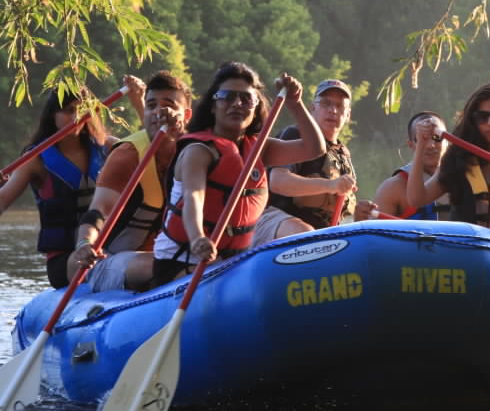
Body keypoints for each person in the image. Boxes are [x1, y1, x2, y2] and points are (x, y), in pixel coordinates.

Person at [150, 61, 326, 286]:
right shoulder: (199, 150)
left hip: (230, 262)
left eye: (246, 99)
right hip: (183, 260)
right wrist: (198, 238)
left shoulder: (259, 148)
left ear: (256, 109)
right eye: (227, 96)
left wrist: (295, 103)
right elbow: (194, 196)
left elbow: (314, 148)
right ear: (213, 105)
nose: (237, 104)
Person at [0, 77, 144, 288]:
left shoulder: (108, 148)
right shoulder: (35, 160)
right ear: (53, 115)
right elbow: (3, 199)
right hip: (65, 259)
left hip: (108, 248)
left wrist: (139, 101)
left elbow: (149, 148)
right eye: (68, 110)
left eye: (82, 110)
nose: (77, 117)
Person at [69, 70, 193, 292]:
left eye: (169, 105)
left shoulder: (198, 151)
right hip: (107, 259)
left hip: (173, 256)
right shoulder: (128, 154)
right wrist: (85, 243)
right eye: (151, 105)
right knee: (164, 265)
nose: (159, 112)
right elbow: (98, 211)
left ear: (186, 115)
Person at [250, 79, 356, 246]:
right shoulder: (296, 135)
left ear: (348, 114)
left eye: (340, 106)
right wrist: (331, 185)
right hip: (273, 219)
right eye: (326, 104)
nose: (333, 111)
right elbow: (277, 182)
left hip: (320, 233)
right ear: (313, 108)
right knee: (305, 234)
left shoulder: (343, 153)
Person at [406, 82, 490, 227]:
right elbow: (416, 200)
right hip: (465, 247)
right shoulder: (458, 157)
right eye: (482, 116)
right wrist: (421, 143)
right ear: (474, 121)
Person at [354, 111, 449, 221]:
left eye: (437, 138)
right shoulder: (393, 187)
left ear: (447, 140)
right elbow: (374, 234)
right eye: (421, 139)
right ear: (411, 145)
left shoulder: (465, 177)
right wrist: (360, 219)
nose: (430, 145)